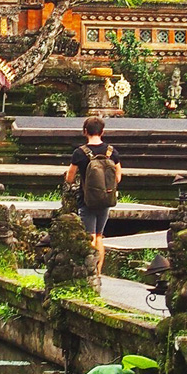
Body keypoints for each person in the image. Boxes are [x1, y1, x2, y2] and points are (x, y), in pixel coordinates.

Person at [63, 116, 122, 271]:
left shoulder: (80, 153)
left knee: (89, 236)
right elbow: (118, 176)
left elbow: (69, 177)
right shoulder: (111, 152)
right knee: (99, 236)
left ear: (84, 131)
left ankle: (88, 270)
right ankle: (98, 271)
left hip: (86, 199)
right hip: (106, 198)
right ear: (102, 132)